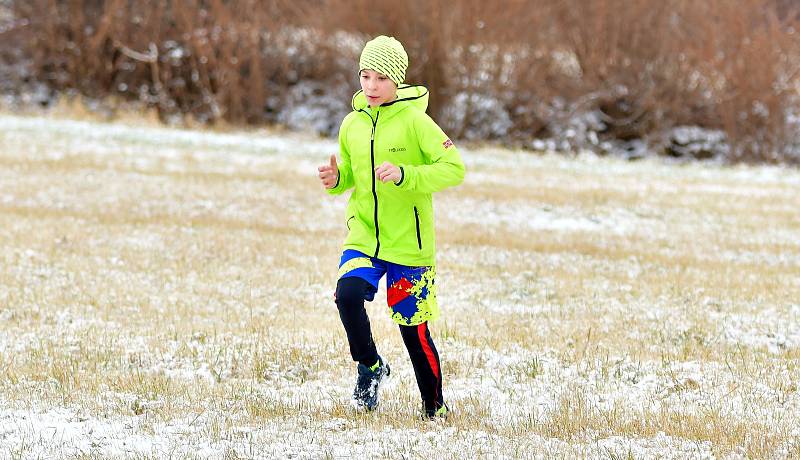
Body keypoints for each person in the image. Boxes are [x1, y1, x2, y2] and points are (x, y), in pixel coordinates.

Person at [317, 35, 465, 419]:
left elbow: (454, 168)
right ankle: (369, 366)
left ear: (397, 80)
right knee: (347, 296)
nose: (371, 86)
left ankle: (435, 408)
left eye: (381, 78)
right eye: (365, 76)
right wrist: (336, 179)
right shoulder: (352, 123)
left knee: (413, 332)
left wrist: (405, 174)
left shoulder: (417, 121)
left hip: (409, 246)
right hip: (364, 236)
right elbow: (351, 175)